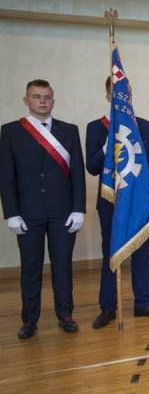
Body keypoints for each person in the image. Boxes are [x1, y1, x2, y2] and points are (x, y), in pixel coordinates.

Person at [0, 79, 86, 338]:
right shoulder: (11, 131)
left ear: (53, 101)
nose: (42, 101)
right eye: (37, 96)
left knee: (63, 266)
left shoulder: (69, 130)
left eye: (47, 97)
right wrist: (11, 213)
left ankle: (65, 315)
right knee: (30, 268)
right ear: (26, 100)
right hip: (27, 213)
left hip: (63, 212)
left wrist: (78, 209)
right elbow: (7, 176)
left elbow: (77, 173)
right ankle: (29, 320)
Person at [86, 77, 149, 328]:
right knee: (111, 254)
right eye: (118, 92)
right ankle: (107, 307)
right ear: (108, 96)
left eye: (127, 91)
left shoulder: (143, 125)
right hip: (111, 202)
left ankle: (143, 302)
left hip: (140, 200)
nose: (123, 95)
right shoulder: (96, 127)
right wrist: (106, 147)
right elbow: (92, 167)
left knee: (141, 253)